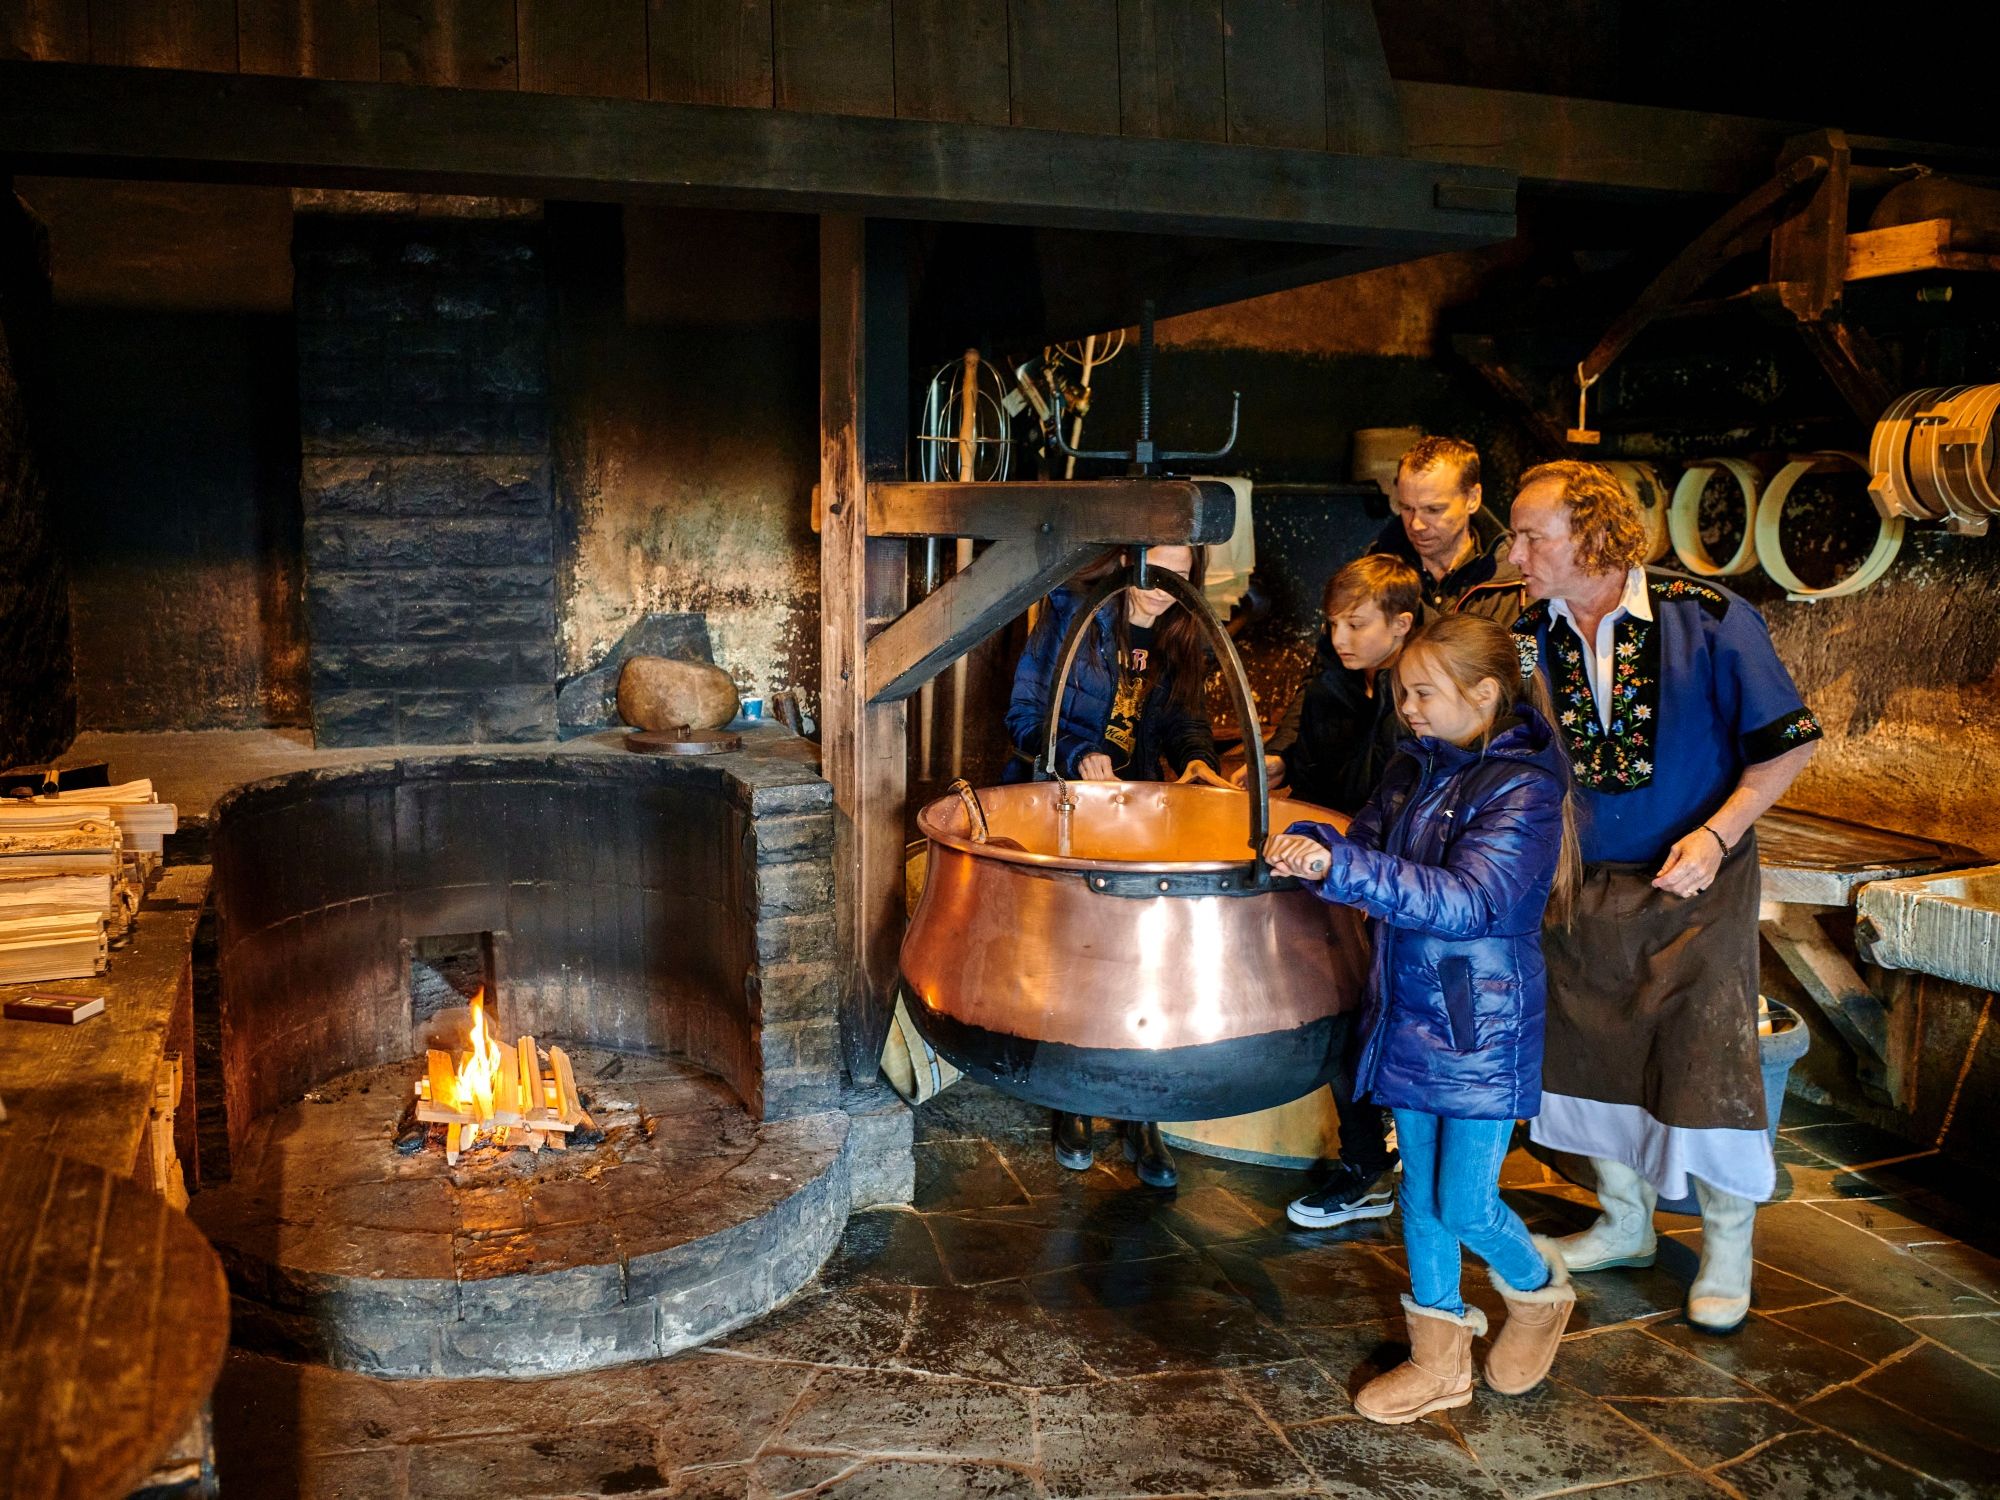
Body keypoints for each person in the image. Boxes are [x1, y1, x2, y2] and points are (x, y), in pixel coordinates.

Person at [1506, 460, 1821, 1335]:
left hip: (1699, 885)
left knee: (1703, 1058)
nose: (1516, 551)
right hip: (1576, 888)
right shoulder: (1526, 631)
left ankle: (1727, 1246)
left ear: (1596, 535)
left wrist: (1718, 836)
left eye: (1534, 534)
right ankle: (1627, 1222)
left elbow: (1785, 746)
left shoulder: (1709, 618)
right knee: (1589, 1052)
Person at [1265, 613, 1580, 1423]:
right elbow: (1363, 841)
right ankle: (1440, 1363)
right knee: (1418, 1196)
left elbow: (1474, 900)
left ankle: (1540, 1296)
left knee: (1468, 1203)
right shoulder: (1414, 766)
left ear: (1484, 694)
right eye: (1402, 690)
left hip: (1480, 1028)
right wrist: (1308, 844)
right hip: (1405, 1008)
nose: (1405, 706)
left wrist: (1347, 867)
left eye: (1421, 692)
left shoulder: (1525, 790)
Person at [1003, 544, 1220, 1189]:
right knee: (1074, 959)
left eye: (1181, 573)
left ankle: (1142, 1112)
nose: (1165, 586)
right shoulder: (1074, 614)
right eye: (1157, 569)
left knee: (1146, 965)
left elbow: (1187, 722)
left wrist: (1197, 762)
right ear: (1131, 558)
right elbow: (1022, 717)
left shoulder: (1189, 629)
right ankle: (1072, 1102)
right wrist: (1076, 753)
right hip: (1065, 810)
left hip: (1141, 816)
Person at [1234, 554, 1419, 1228]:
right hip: (1336, 861)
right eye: (1334, 622)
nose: (1340, 637)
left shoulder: (1413, 695)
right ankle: (1370, 1160)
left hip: (1384, 874)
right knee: (1347, 1014)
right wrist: (1279, 758)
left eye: (1355, 624)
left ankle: (1380, 1165)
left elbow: (1400, 789)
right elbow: (1307, 731)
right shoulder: (1341, 677)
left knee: (1368, 1019)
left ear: (1401, 625)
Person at [1368, 436, 1524, 624]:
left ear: (1473, 499)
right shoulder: (1372, 572)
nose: (1416, 525)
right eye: (1406, 508)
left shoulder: (1519, 576)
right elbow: (1331, 651)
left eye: (1433, 510)